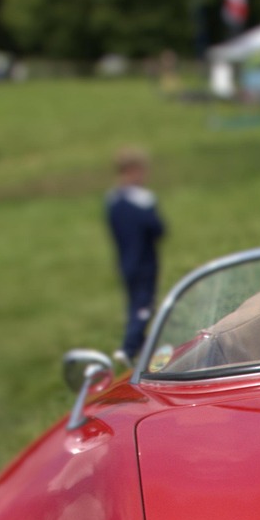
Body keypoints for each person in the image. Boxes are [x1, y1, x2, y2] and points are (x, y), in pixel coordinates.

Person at [105, 147, 166, 364]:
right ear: (133, 171)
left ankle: (142, 348)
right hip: (145, 261)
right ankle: (128, 348)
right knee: (144, 306)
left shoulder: (111, 200)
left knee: (134, 303)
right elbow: (158, 228)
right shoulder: (142, 200)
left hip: (125, 260)